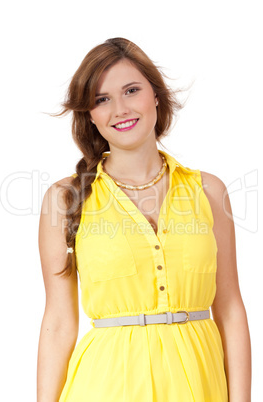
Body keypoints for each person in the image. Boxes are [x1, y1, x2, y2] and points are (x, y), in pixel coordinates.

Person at [37, 37, 251, 401]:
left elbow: (230, 309)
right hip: (105, 386)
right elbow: (58, 324)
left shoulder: (209, 191)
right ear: (90, 114)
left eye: (131, 90)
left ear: (155, 94)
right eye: (101, 100)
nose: (119, 109)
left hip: (199, 385)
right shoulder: (64, 199)